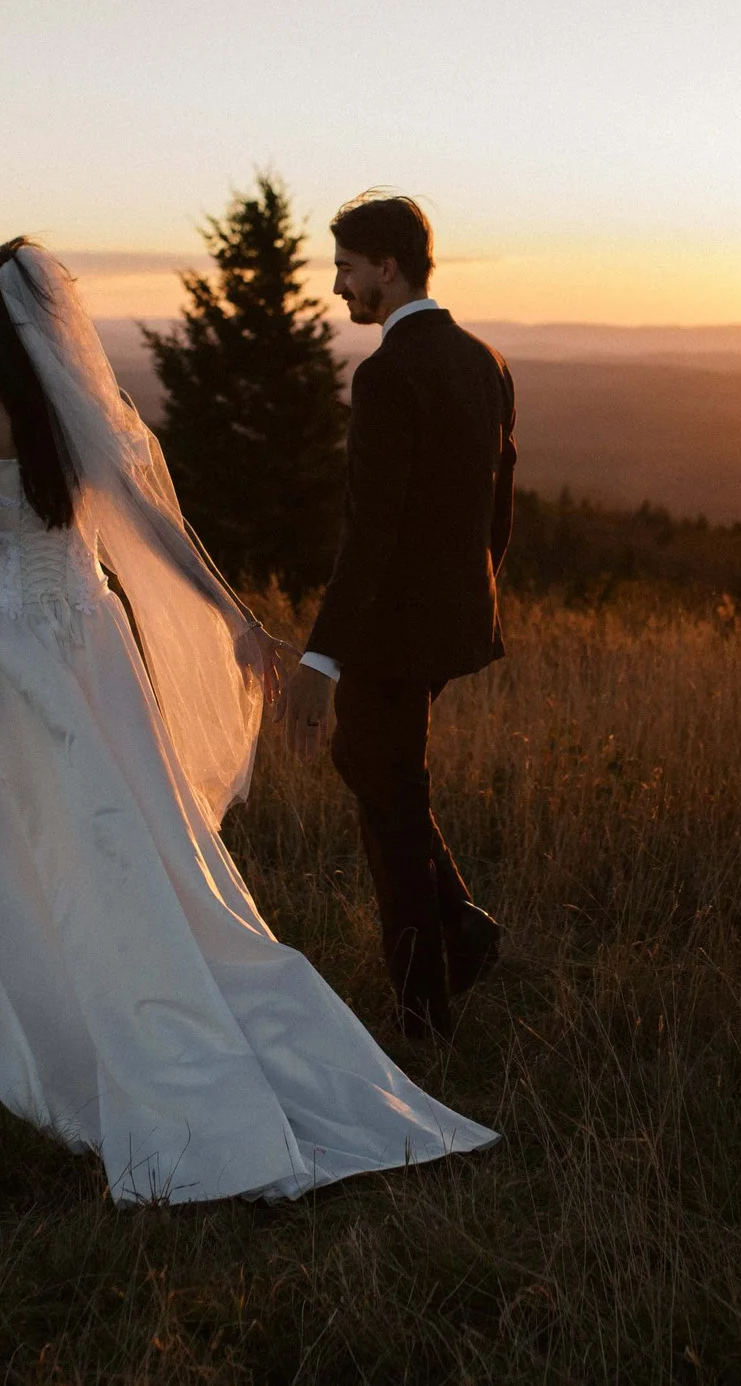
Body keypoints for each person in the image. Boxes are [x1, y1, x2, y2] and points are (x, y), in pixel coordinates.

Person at [0, 237, 496, 1205]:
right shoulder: (84, 409)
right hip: (96, 642)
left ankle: (88, 1014)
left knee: (38, 834)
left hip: (14, 644)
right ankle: (159, 987)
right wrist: (237, 620)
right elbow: (154, 533)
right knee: (136, 831)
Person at [282, 194, 515, 1040]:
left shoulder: (386, 373)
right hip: (451, 625)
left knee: (389, 803)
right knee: (375, 766)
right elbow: (500, 509)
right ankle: (463, 926)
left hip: (392, 631)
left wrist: (322, 659)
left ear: (387, 267)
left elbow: (370, 529)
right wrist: (474, 597)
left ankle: (422, 1010)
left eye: (345, 267)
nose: (337, 284)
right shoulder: (485, 359)